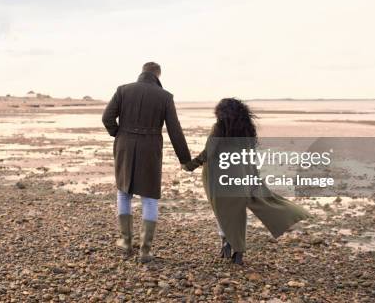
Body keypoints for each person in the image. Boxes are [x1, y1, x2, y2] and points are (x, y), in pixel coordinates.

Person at [183, 98, 311, 264]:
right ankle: (239, 252)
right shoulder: (248, 129)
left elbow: (209, 151)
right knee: (240, 211)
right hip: (242, 174)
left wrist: (190, 165)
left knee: (222, 211)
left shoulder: (219, 127)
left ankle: (227, 243)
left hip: (220, 176)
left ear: (221, 112)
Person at [102, 62, 191, 263]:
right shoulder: (165, 97)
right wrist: (185, 159)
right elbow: (175, 129)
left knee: (124, 192)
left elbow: (107, 117)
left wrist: (119, 134)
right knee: (149, 196)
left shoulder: (123, 90)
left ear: (141, 72)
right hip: (150, 148)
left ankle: (126, 243)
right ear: (158, 75)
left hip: (124, 145)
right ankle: (145, 250)